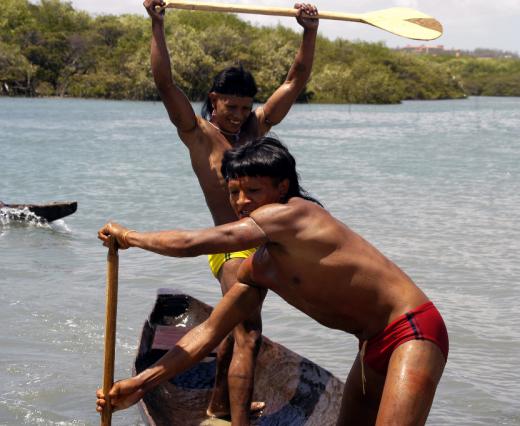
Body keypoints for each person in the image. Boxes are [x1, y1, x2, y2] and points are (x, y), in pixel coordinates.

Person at [96, 137, 449, 425]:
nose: (242, 202)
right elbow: (207, 334)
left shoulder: (296, 213)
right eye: (234, 192)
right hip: (371, 343)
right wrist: (141, 384)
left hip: (412, 330)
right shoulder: (259, 267)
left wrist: (129, 236)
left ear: (282, 187)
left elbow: (193, 243)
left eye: (253, 191)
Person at [142, 1, 319, 423]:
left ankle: (219, 401)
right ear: (214, 101)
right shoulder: (198, 135)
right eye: (231, 108)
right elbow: (165, 84)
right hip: (229, 248)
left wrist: (309, 31)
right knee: (249, 334)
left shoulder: (257, 128)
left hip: (264, 245)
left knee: (236, 330)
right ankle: (236, 418)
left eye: (245, 108)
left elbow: (295, 81)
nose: (239, 117)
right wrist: (157, 24)